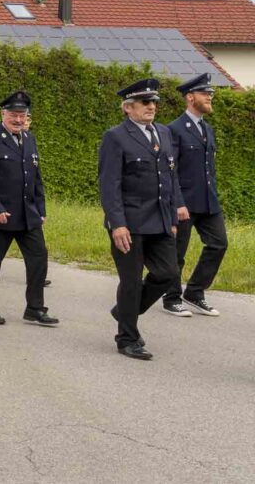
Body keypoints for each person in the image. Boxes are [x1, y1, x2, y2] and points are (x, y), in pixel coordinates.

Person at [99, 78, 183, 361]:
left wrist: (172, 217)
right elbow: (109, 184)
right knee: (132, 281)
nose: (151, 107)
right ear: (127, 108)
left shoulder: (164, 133)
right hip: (130, 223)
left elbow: (170, 177)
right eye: (145, 102)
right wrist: (117, 223)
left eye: (154, 102)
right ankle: (127, 338)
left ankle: (124, 311)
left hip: (159, 221)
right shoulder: (116, 137)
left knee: (168, 274)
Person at [0, 92, 59, 327]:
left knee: (39, 258)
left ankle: (35, 308)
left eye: (22, 115)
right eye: (14, 115)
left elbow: (36, 177)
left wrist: (41, 209)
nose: (19, 120)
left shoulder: (29, 139)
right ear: (3, 114)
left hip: (27, 214)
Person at [163, 73, 227, 317]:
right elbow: (171, 170)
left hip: (208, 201)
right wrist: (177, 202)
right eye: (205, 94)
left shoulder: (207, 129)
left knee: (219, 243)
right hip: (184, 203)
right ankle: (171, 298)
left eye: (210, 93)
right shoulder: (174, 129)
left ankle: (195, 292)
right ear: (190, 98)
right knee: (177, 253)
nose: (210, 97)